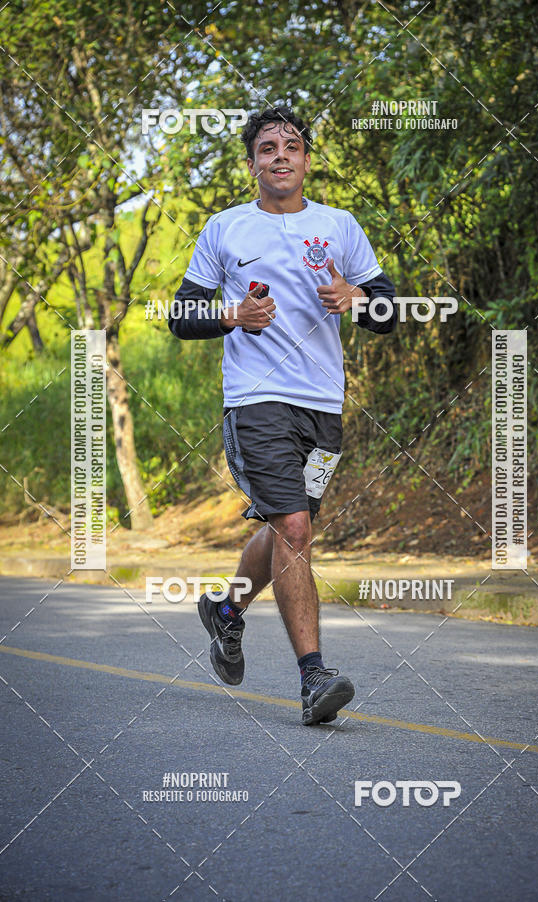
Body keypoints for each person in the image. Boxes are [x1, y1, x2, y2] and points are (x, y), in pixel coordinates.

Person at [169, 106, 396, 725]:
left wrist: (358, 300)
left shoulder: (340, 225)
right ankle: (313, 678)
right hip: (256, 402)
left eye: (290, 146)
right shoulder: (225, 229)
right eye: (266, 147)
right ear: (252, 164)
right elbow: (179, 315)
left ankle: (225, 610)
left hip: (324, 406)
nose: (279, 156)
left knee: (284, 530)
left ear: (306, 159)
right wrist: (230, 316)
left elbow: (389, 309)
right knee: (295, 528)